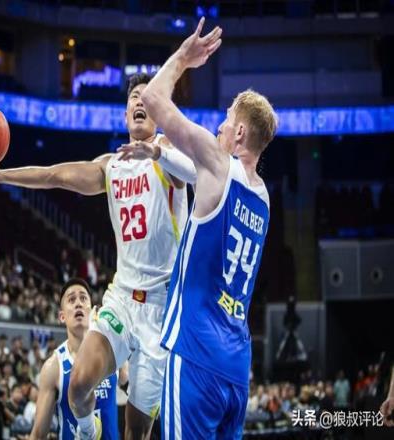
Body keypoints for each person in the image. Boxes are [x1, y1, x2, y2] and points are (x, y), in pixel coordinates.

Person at [0, 72, 196, 439]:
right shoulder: (111, 165)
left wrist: (158, 151)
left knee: (137, 431)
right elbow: (54, 175)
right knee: (77, 385)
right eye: (134, 98)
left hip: (162, 309)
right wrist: (2, 176)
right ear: (125, 115)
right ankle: (88, 433)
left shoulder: (168, 151)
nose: (140, 101)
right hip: (122, 299)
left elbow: (195, 170)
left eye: (147, 97)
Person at [136, 17, 277, 439]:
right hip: (236, 366)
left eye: (226, 120)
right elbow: (201, 178)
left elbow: (152, 98)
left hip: (196, 353)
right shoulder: (263, 198)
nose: (218, 127)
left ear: (239, 132)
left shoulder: (217, 163)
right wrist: (160, 155)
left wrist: (183, 57)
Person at [29, 278, 119, 439]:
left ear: (92, 311)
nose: (78, 303)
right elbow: (38, 435)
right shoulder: (54, 367)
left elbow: (133, 389)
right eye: (71, 300)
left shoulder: (112, 351)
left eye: (83, 298)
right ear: (62, 316)